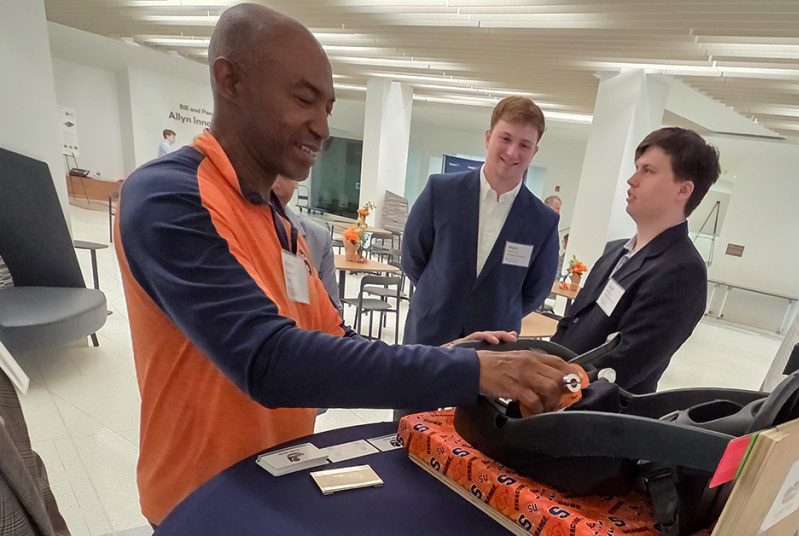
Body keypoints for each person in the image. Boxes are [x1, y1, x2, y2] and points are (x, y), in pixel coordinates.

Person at [114, 4, 576, 526]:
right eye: (304, 99)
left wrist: (447, 354)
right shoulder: (167, 197)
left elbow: (335, 343)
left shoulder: (281, 227)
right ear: (230, 80)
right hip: (201, 498)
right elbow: (269, 360)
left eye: (328, 106)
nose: (322, 126)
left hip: (276, 481)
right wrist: (469, 370)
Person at [551, 127, 720, 394]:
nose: (632, 179)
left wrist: (551, 386)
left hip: (593, 419)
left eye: (648, 171)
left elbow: (622, 366)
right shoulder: (614, 252)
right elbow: (570, 323)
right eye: (636, 168)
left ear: (683, 190)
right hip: (548, 406)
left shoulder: (682, 271)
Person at [402, 96, 560, 346]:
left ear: (534, 152)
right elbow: (412, 258)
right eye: (505, 138)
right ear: (488, 138)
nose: (512, 152)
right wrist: (437, 297)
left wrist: (497, 312)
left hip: (494, 342)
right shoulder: (440, 191)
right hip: (430, 332)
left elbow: (535, 291)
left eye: (524, 145)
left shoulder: (543, 221)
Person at [271, 176, 340, 309]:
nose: (274, 176)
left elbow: (333, 310)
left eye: (283, 171)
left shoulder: (317, 237)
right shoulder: (228, 226)